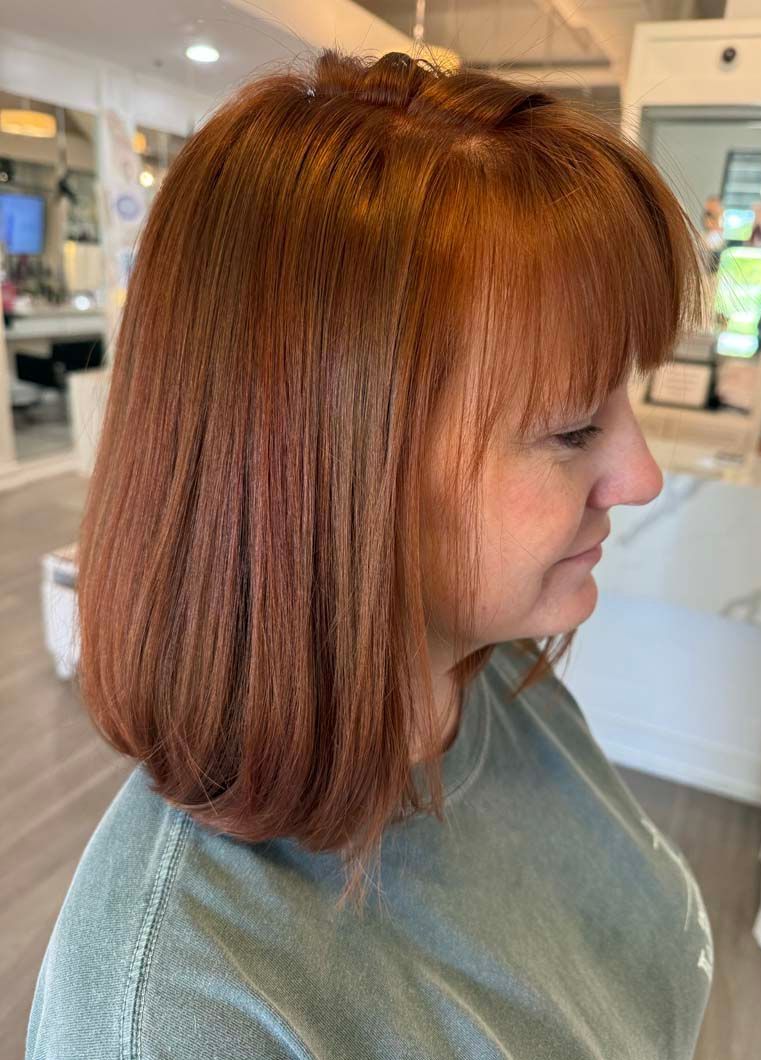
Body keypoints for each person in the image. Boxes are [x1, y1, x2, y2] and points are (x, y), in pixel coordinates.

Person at [26, 46, 714, 1060]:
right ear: (328, 466)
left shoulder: (498, 680)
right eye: (573, 427)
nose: (641, 475)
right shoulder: (179, 1018)